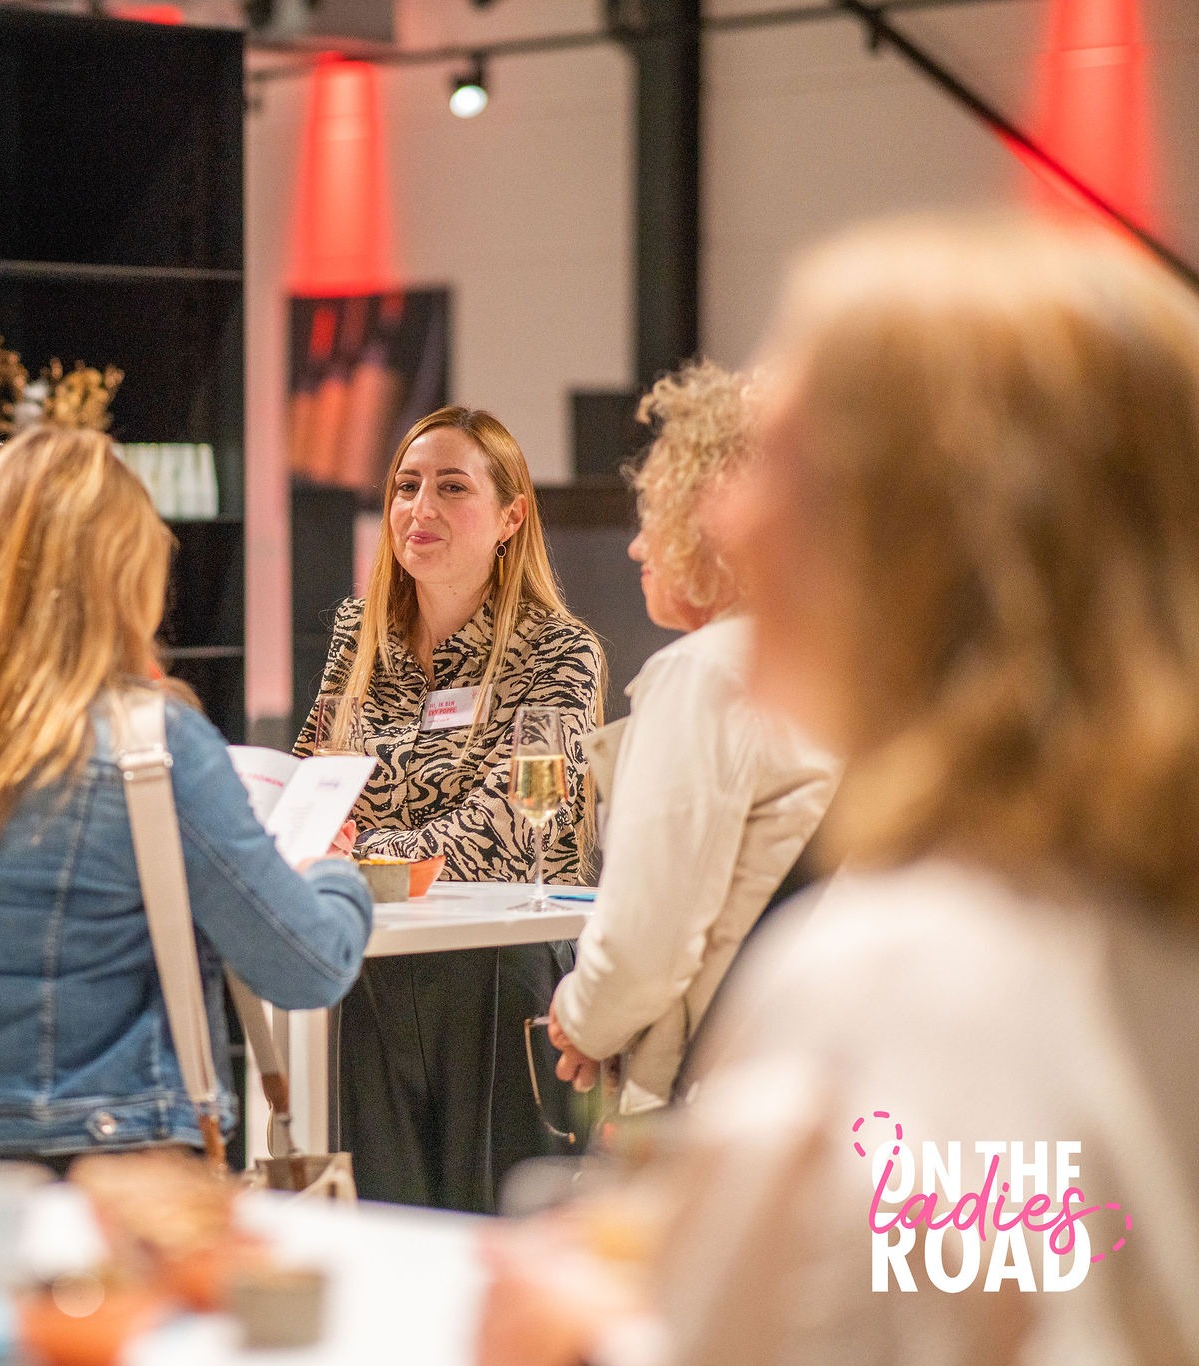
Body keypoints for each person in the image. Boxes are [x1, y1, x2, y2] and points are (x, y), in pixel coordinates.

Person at [479, 217, 1199, 1365]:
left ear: (943, 534)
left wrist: (574, 1340)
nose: (728, 517)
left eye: (787, 465)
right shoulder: (1122, 931)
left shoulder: (895, 987)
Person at [0, 426, 373, 1207]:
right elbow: (305, 965)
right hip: (114, 1175)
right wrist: (336, 877)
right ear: (119, 574)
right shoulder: (156, 737)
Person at [297, 405, 604, 1213]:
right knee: (380, 1218)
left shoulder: (559, 650)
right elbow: (313, 788)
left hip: (498, 967)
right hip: (371, 960)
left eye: (452, 487)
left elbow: (505, 836)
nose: (419, 508)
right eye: (406, 486)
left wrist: (364, 852)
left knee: (490, 1222)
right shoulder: (359, 636)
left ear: (511, 517)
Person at [545, 360, 838, 1115]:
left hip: (714, 1094)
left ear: (714, 522)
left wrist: (578, 1018)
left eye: (655, 514)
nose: (637, 547)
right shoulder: (836, 668)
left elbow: (642, 948)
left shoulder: (703, 673)